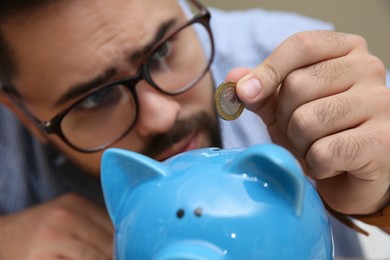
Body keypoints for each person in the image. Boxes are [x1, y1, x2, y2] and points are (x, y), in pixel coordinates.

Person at [0, 0, 388, 258]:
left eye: (164, 51)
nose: (162, 115)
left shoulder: (294, 63)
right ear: (21, 113)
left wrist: (383, 197)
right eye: (92, 99)